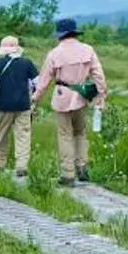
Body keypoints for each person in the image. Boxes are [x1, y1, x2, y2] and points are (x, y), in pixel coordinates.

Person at [40, 16, 109, 187]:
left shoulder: (55, 53)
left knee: (65, 135)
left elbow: (44, 80)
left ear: (60, 34)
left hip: (62, 94)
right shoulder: (88, 50)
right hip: (81, 95)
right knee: (80, 132)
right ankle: (82, 167)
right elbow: (98, 75)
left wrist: (34, 99)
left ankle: (67, 174)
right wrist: (101, 95)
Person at [0, 34, 40, 180]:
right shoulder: (27, 63)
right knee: (23, 135)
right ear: (17, 49)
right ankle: (21, 166)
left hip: (2, 105)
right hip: (23, 105)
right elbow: (38, 81)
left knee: (1, 135)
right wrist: (34, 97)